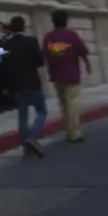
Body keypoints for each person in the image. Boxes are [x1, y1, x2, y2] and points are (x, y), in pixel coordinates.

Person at [0, 16, 46, 158]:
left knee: (22, 116)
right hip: (32, 82)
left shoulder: (7, 45)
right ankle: (33, 137)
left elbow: (3, 67)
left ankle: (26, 148)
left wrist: (6, 86)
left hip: (16, 85)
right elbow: (40, 62)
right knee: (42, 111)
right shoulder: (31, 41)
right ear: (24, 27)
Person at [42, 10, 90, 143]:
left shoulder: (49, 37)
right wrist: (88, 65)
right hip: (71, 74)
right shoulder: (72, 35)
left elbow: (45, 55)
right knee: (72, 103)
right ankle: (74, 132)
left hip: (57, 75)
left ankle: (68, 130)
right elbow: (83, 52)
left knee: (63, 104)